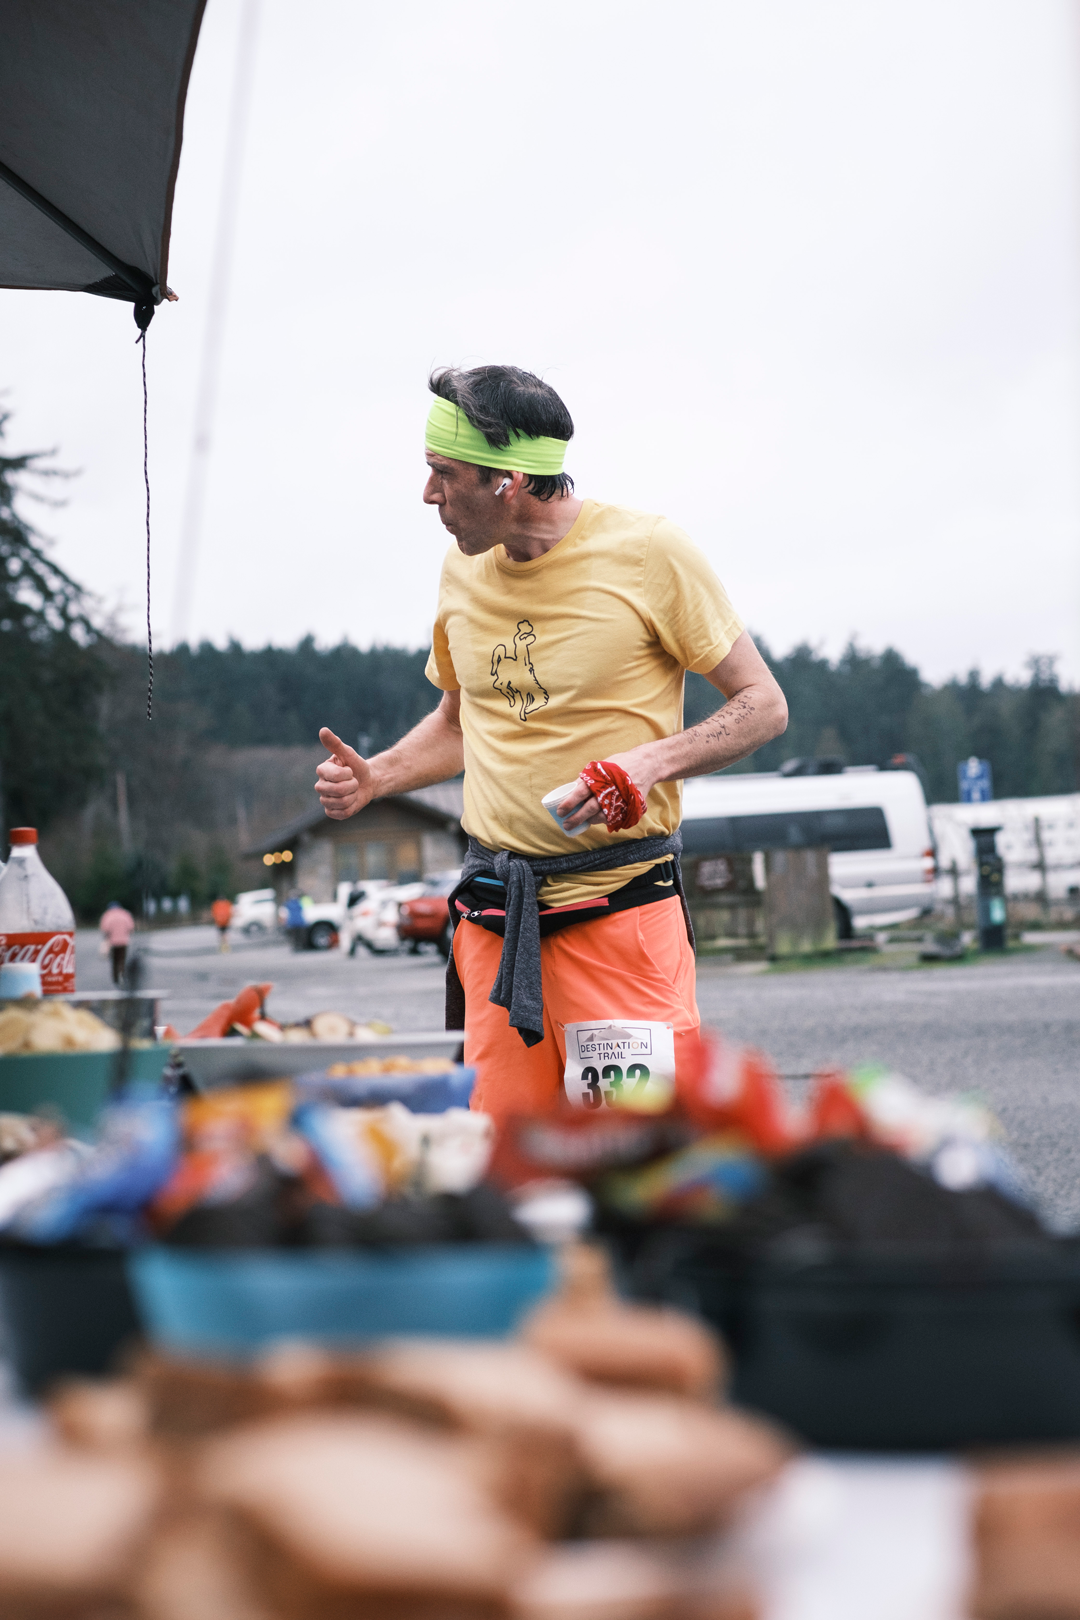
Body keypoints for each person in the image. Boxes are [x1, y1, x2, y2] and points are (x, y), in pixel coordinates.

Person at [316, 365, 788, 1118]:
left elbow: (763, 705)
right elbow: (460, 721)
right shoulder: (461, 570)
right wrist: (378, 776)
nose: (429, 494)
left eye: (444, 474)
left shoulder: (649, 551)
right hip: (496, 930)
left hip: (620, 924)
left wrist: (648, 761)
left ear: (508, 481)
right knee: (503, 1167)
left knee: (636, 1168)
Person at [99, 900, 135, 986]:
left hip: (112, 942)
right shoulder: (125, 914)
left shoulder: (107, 915)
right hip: (124, 942)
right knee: (122, 960)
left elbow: (105, 929)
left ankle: (115, 978)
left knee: (114, 961)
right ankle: (122, 975)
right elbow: (131, 927)